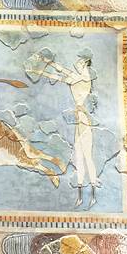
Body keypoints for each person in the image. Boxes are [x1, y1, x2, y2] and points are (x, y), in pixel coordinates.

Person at [34, 49, 99, 208]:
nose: (77, 63)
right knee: (79, 157)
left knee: (87, 157)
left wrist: (42, 70)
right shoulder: (78, 76)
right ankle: (80, 197)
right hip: (79, 119)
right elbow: (63, 71)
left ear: (85, 63)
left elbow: (62, 76)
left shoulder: (83, 78)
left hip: (83, 121)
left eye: (80, 61)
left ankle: (93, 196)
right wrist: (47, 63)